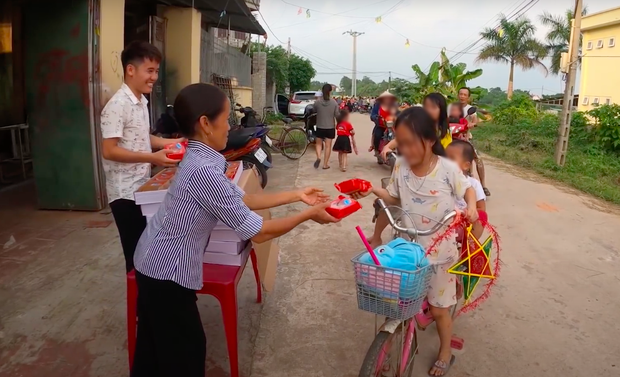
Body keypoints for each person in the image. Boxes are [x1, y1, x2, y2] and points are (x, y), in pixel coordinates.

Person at [131, 83, 340, 377]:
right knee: (185, 357)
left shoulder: (200, 157)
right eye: (226, 119)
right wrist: (308, 215)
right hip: (166, 274)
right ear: (205, 123)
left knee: (153, 355)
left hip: (153, 263)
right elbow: (260, 233)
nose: (230, 127)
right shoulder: (204, 170)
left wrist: (297, 195)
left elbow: (243, 199)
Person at [353, 107, 478, 377]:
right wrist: (373, 190)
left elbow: (468, 188)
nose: (405, 149)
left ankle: (445, 351)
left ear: (430, 140)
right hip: (407, 250)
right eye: (401, 141)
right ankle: (385, 346)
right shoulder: (401, 166)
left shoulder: (447, 169)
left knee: (438, 308)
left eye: (411, 142)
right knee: (397, 303)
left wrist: (471, 206)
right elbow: (396, 199)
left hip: (440, 252)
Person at [100, 40, 183, 273]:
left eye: (156, 71)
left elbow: (142, 137)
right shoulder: (117, 105)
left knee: (148, 252)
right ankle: (140, 308)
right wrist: (152, 158)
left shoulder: (140, 102)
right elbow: (109, 150)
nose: (154, 77)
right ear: (130, 70)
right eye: (149, 70)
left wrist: (174, 142)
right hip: (124, 194)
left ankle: (149, 304)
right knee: (136, 257)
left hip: (141, 188)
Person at [380, 92, 451, 161]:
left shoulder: (445, 133)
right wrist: (387, 147)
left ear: (442, 110)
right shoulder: (417, 126)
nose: (428, 110)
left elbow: (447, 155)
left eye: (433, 107)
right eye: (426, 106)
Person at [445, 140, 487, 239]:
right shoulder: (442, 181)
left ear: (466, 165)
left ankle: (470, 244)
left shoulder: (474, 183)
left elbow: (481, 207)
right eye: (444, 159)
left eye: (451, 159)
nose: (446, 163)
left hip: (466, 223)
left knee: (482, 215)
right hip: (447, 222)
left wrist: (469, 212)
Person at [454, 87, 490, 196]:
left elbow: (475, 122)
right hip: (454, 138)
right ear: (458, 95)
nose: (462, 96)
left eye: (465, 95)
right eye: (461, 94)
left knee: (477, 158)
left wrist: (471, 124)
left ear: (468, 97)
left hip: (467, 137)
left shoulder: (471, 110)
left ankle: (483, 185)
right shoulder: (452, 108)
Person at [312, 84, 339, 169]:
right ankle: (325, 164)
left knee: (318, 144)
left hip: (320, 126)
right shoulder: (334, 103)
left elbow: (314, 111)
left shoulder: (317, 102)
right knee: (328, 146)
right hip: (330, 127)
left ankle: (319, 157)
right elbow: (337, 115)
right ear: (330, 91)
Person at [369, 91, 398, 163]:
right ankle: (377, 151)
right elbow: (372, 115)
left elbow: (398, 113)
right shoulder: (377, 105)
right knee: (377, 136)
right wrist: (376, 118)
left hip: (392, 126)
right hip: (381, 125)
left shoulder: (394, 105)